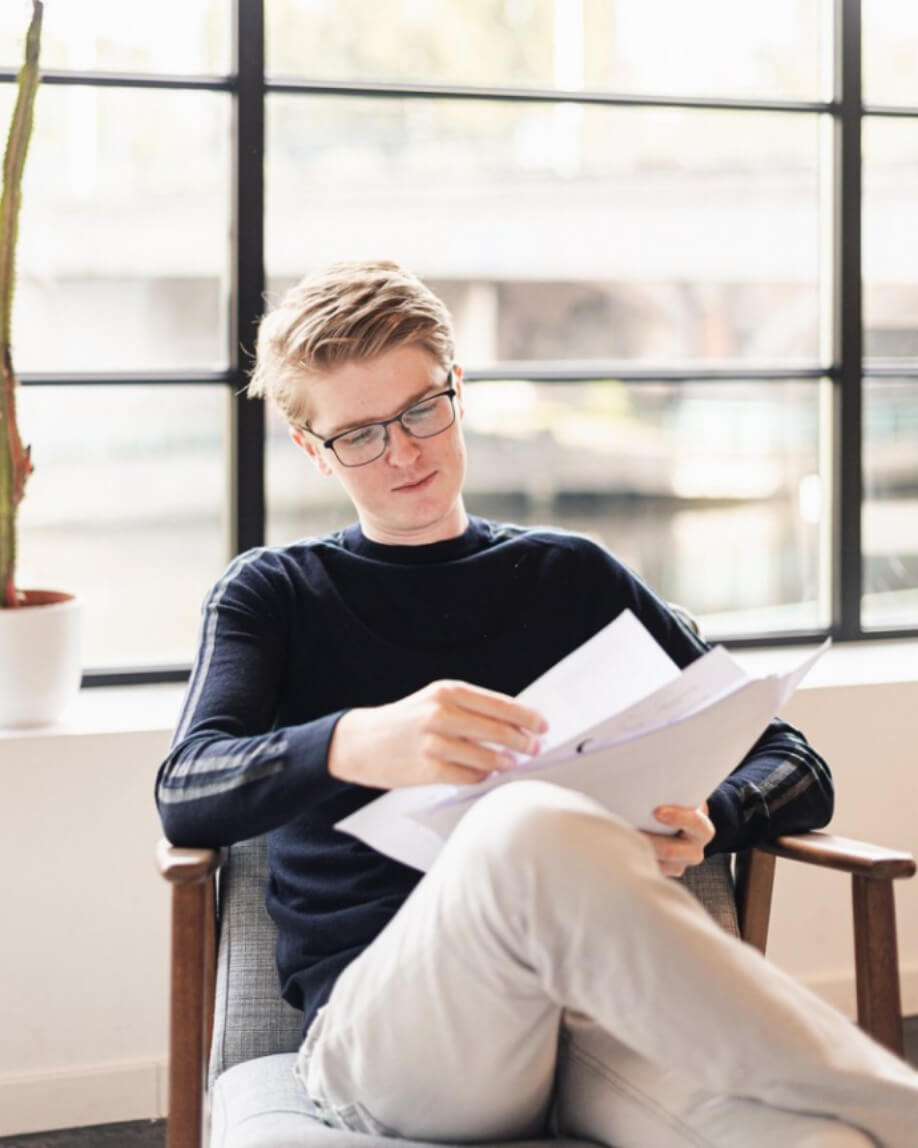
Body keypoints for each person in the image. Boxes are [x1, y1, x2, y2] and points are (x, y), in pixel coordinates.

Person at [156, 260, 918, 1148]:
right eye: (359, 434)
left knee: (817, 1141)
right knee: (526, 825)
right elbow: (187, 786)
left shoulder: (572, 577)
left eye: (419, 411)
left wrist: (710, 812)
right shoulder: (272, 594)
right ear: (311, 448)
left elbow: (794, 762)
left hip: (590, 1024)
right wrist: (359, 743)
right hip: (397, 1038)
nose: (403, 452)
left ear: (458, 390)